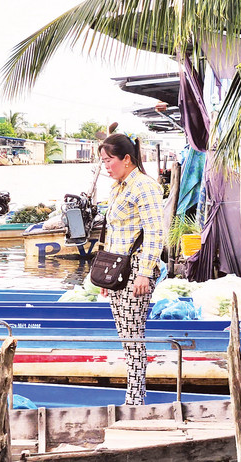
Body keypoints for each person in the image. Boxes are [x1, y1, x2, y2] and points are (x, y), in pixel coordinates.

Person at [98, 133, 165, 405]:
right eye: (103, 161)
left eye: (109, 160)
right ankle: (134, 393)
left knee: (133, 334)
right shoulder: (119, 187)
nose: (106, 166)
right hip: (119, 269)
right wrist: (106, 275)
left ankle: (135, 397)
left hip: (137, 269)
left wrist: (144, 273)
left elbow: (155, 232)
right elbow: (114, 234)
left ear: (126, 159)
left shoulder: (144, 186)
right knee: (125, 334)